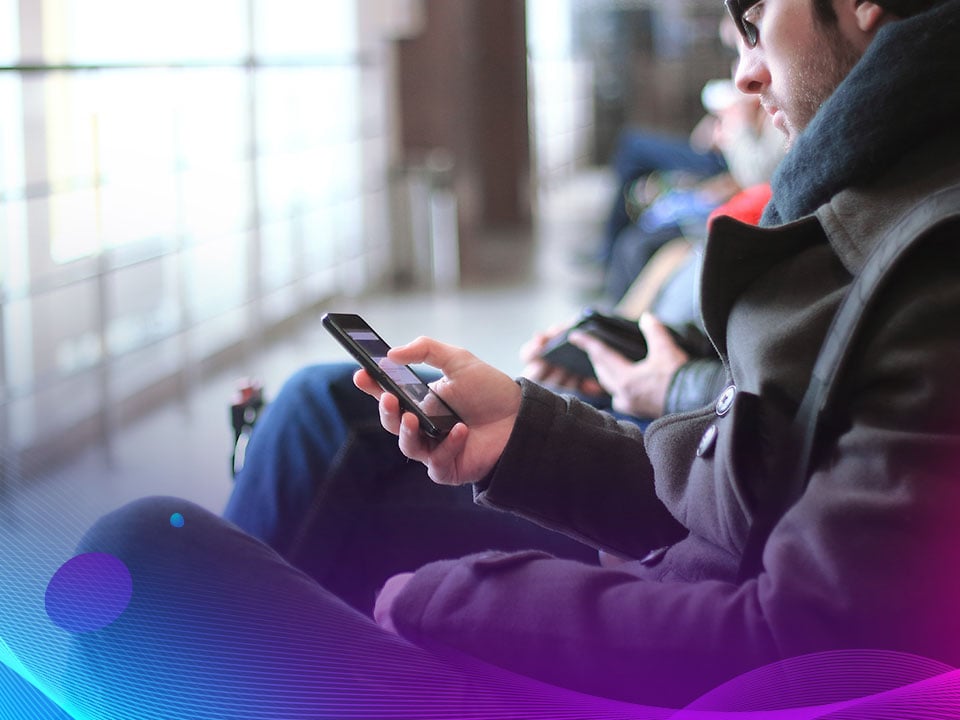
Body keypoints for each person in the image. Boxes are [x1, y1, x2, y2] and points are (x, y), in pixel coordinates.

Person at [68, 0, 960, 714]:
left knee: (140, 558)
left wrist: (457, 600)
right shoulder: (884, 208)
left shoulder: (931, 264)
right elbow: (756, 486)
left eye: (757, 18)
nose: (745, 71)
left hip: (671, 684)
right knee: (321, 412)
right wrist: (525, 433)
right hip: (680, 582)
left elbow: (806, 647)